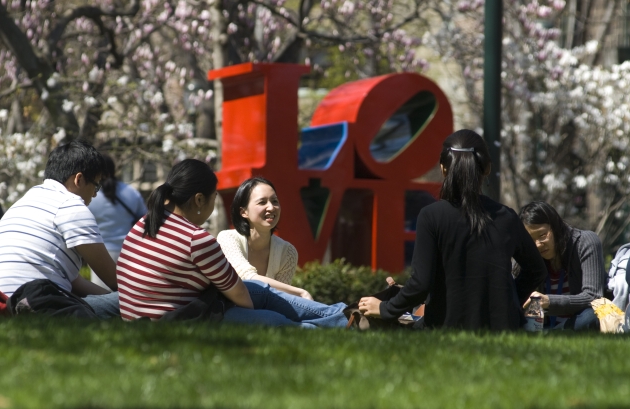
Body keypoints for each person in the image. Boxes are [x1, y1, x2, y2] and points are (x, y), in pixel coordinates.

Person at [116, 159, 348, 328]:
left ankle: (344, 316)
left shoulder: (145, 223)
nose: (271, 208)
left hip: (151, 318)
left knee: (262, 291)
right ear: (199, 199)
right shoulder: (197, 239)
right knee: (277, 321)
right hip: (179, 322)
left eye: (275, 201)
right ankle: (342, 322)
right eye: (214, 197)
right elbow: (241, 294)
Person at [358, 129, 547, 330]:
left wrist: (386, 308)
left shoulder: (431, 216)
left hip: (446, 326)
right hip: (502, 327)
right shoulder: (506, 217)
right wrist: (507, 302)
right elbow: (536, 270)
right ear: (487, 169)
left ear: (443, 168)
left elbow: (420, 284)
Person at [0, 140, 120, 319]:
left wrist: (108, 298)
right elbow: (114, 280)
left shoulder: (26, 201)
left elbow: (74, 281)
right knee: (144, 304)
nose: (95, 194)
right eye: (96, 186)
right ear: (78, 179)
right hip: (41, 304)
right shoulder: (71, 206)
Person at [217, 177, 312, 299]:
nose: (271, 207)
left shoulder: (287, 252)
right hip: (231, 311)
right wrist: (300, 293)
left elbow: (281, 299)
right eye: (262, 202)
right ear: (244, 212)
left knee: (333, 312)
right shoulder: (227, 238)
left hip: (268, 312)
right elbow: (247, 277)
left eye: (275, 201)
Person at [519, 201, 605, 331]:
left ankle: (552, 335)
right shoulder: (527, 252)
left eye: (542, 235)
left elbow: (593, 297)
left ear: (556, 227)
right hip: (539, 325)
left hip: (576, 321)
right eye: (531, 240)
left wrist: (549, 301)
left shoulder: (585, 242)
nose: (537, 245)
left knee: (591, 316)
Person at [87, 154, 146, 289]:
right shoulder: (131, 192)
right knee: (126, 296)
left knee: (102, 298)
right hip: (128, 252)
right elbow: (144, 219)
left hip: (99, 253)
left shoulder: (90, 195)